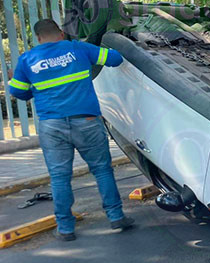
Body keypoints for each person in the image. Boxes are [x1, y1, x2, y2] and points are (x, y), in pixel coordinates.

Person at [8, 19, 134, 241]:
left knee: (59, 177)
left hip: (52, 125)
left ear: (38, 38)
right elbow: (115, 58)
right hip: (86, 120)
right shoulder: (78, 48)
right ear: (62, 33)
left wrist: (35, 92)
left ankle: (65, 229)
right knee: (102, 170)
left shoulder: (27, 60)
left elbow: (17, 91)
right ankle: (116, 217)